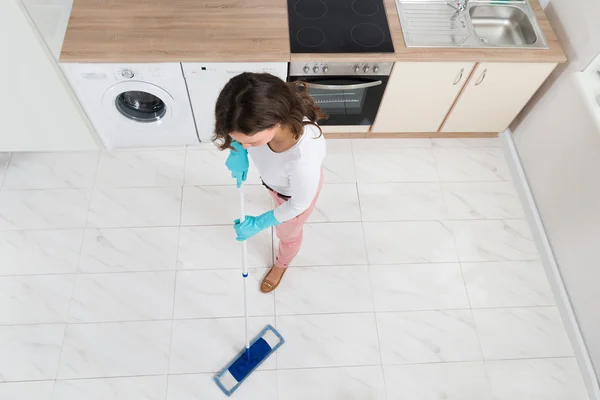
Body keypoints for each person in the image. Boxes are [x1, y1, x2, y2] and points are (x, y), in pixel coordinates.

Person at [213, 72, 327, 293]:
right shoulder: (258, 111)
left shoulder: (303, 160)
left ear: (276, 122)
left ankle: (281, 264)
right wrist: (238, 152)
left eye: (251, 142)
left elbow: (298, 205)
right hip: (276, 183)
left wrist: (260, 223)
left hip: (292, 198)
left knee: (288, 234)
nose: (245, 146)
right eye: (238, 140)